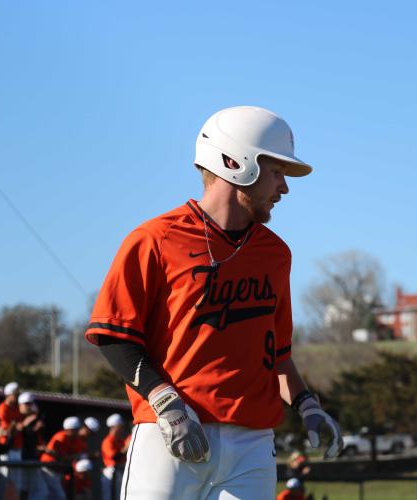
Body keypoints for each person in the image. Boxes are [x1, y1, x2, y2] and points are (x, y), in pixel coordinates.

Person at [85, 105, 343, 499]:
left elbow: (275, 354)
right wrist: (164, 401)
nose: (284, 188)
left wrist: (308, 405)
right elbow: (113, 335)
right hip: (171, 429)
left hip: (253, 442)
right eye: (276, 172)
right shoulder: (155, 238)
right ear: (234, 162)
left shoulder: (276, 253)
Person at [40, 416, 86, 499]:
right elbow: (59, 456)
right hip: (47, 469)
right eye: (76, 429)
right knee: (58, 496)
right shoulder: (61, 437)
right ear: (69, 429)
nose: (78, 431)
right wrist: (67, 457)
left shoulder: (73, 439)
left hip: (56, 471)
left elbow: (72, 456)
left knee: (50, 495)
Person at [0, 381, 24, 495]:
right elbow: (7, 432)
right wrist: (17, 426)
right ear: (9, 394)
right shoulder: (2, 409)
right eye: (16, 393)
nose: (18, 395)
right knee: (5, 481)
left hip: (17, 448)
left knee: (17, 483)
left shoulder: (17, 408)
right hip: (6, 449)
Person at [18, 392, 47, 499]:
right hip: (21, 458)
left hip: (31, 458)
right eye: (27, 404)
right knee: (22, 489)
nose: (29, 406)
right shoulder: (18, 417)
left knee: (39, 491)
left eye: (31, 404)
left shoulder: (35, 419)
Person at [101, 413, 130, 500]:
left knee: (119, 496)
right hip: (110, 471)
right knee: (108, 497)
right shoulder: (108, 441)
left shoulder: (121, 440)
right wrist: (125, 448)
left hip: (120, 471)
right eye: (120, 426)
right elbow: (114, 457)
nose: (122, 429)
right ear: (113, 427)